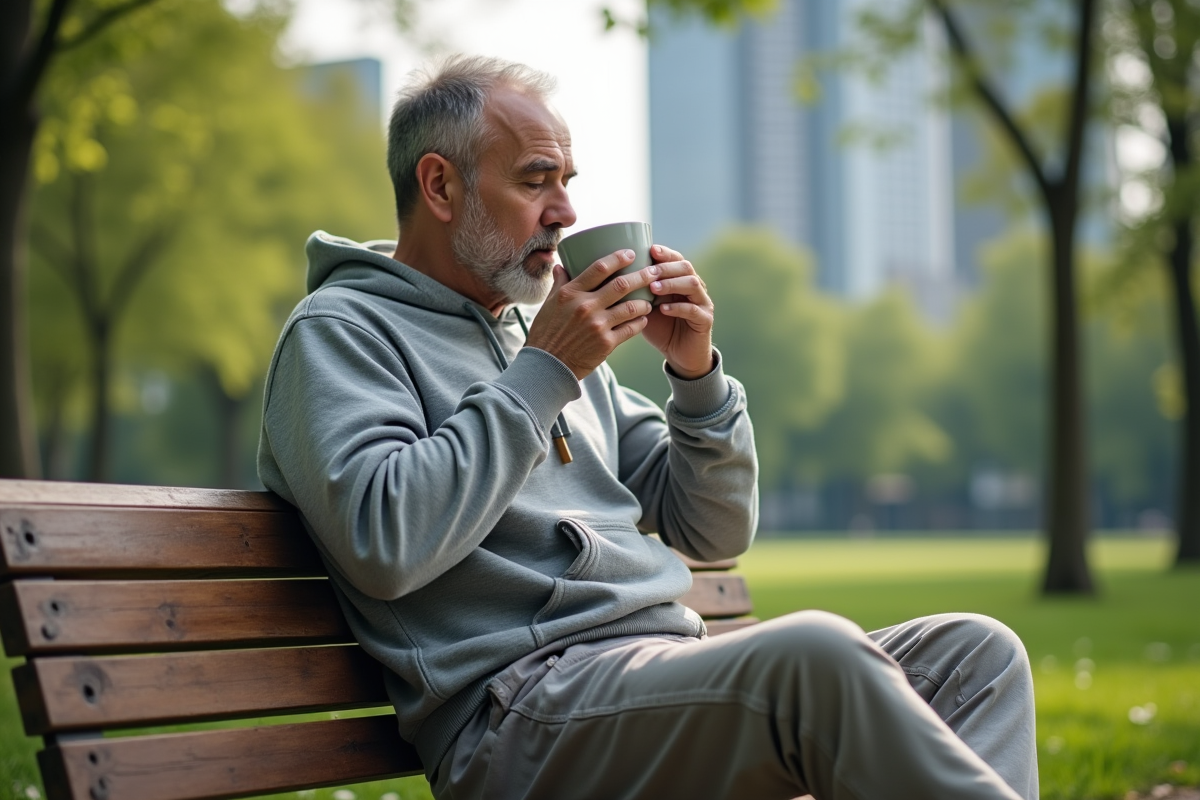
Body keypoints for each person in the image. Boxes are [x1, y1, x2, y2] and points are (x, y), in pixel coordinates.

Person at [257, 55, 1038, 800]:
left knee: (978, 656)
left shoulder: (538, 340)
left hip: (656, 676)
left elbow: (716, 529)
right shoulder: (342, 331)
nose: (565, 212)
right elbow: (384, 544)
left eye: (566, 182)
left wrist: (696, 379)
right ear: (440, 185)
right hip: (520, 718)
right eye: (536, 181)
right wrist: (546, 372)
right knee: (817, 659)